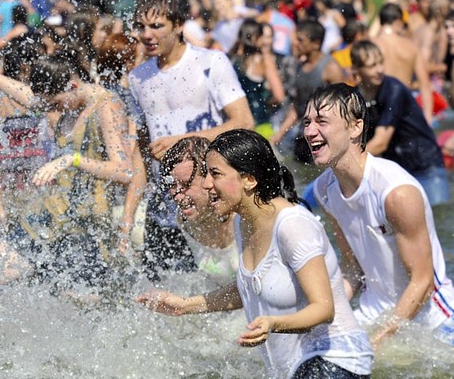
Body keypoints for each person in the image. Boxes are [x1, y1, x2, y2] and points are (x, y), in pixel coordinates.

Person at [139, 129, 373, 378]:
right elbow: (249, 288)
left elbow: (324, 309)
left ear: (249, 180)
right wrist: (186, 305)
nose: (207, 184)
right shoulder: (244, 223)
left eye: (215, 174)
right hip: (296, 368)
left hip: (336, 361)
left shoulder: (293, 225)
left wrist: (273, 323)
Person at [0, 51, 136, 295]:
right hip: (47, 220)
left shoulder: (106, 106)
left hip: (85, 231)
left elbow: (124, 170)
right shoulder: (66, 99)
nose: (49, 110)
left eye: (54, 103)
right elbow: (26, 96)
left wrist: (71, 160)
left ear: (73, 85)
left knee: (76, 307)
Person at [304, 83, 454, 350]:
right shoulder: (323, 190)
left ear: (355, 127)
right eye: (307, 122)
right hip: (372, 313)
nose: (309, 132)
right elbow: (352, 268)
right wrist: (321, 315)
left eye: (322, 122)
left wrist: (378, 341)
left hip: (432, 321)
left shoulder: (395, 193)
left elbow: (423, 282)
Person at [127, 0, 254, 280]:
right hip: (166, 208)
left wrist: (182, 143)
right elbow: (140, 155)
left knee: (233, 289)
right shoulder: (137, 79)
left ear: (179, 24)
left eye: (157, 26)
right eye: (141, 27)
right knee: (165, 297)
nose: (147, 35)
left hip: (215, 203)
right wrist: (129, 214)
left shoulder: (210, 63)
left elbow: (244, 122)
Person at [350, 40, 450, 206]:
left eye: (381, 62)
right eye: (371, 66)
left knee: (439, 217)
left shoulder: (394, 90)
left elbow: (381, 143)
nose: (380, 70)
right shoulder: (355, 96)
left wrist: (347, 164)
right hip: (398, 169)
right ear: (356, 69)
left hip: (426, 166)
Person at [160, 136, 237, 278]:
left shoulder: (242, 215)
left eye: (186, 184)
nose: (177, 196)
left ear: (210, 178)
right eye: (172, 185)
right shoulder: (184, 222)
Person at [271, 19, 344, 164]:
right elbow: (298, 108)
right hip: (304, 136)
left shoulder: (331, 68)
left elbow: (343, 106)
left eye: (301, 40)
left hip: (326, 139)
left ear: (316, 43)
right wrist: (280, 133)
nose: (296, 43)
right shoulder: (300, 67)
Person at [370, 3, 434, 124]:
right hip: (404, 107)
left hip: (378, 107)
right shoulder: (410, 47)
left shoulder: (372, 46)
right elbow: (425, 85)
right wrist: (428, 119)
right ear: (398, 21)